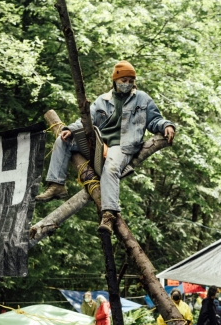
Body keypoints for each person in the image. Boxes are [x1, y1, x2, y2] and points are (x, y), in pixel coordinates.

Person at [36, 61, 177, 233]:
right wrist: (69, 130)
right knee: (62, 140)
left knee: (111, 167)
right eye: (123, 79)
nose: (127, 83)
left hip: (123, 145)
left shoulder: (142, 98)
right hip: (99, 144)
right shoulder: (102, 101)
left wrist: (167, 126)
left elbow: (155, 119)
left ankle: (109, 214)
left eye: (130, 80)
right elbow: (85, 121)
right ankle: (57, 185)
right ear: (115, 80)